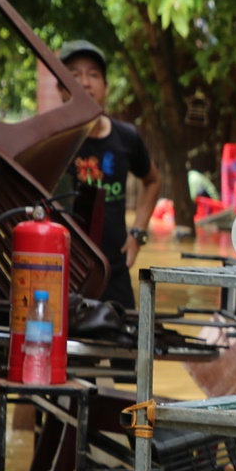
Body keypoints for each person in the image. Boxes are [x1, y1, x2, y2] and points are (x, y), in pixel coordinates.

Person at [58, 41, 160, 310]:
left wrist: (138, 234)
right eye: (74, 75)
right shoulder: (51, 141)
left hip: (114, 269)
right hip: (63, 272)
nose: (85, 83)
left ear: (105, 87)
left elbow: (152, 181)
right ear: (60, 88)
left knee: (123, 347)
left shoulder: (126, 137)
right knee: (68, 352)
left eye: (93, 74)